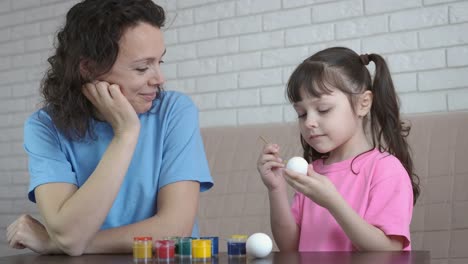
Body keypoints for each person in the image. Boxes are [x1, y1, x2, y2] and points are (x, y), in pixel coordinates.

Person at [6, 0, 213, 256]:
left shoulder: (174, 111)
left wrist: (56, 243)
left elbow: (175, 228)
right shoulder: (45, 127)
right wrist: (125, 135)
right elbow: (70, 235)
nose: (159, 79)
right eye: (142, 67)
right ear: (90, 68)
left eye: (160, 62)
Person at [257, 47, 420, 252]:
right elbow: (290, 247)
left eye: (323, 109)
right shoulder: (313, 172)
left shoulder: (386, 170)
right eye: (301, 113)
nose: (309, 122)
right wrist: (276, 189)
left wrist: (333, 202)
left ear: (363, 103)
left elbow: (389, 252)